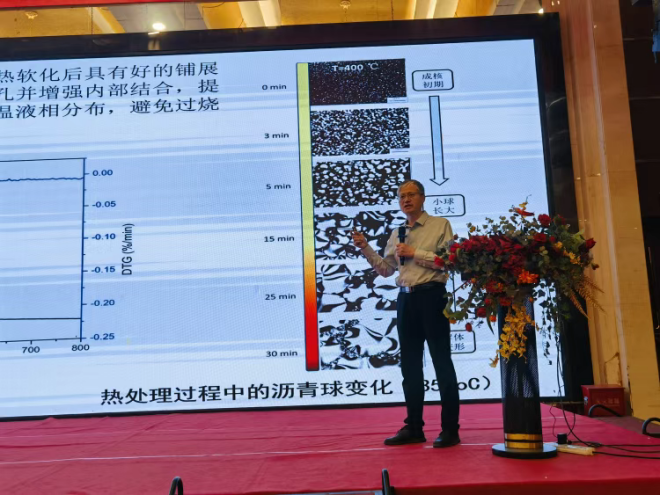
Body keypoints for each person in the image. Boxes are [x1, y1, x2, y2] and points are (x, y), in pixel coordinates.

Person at [351, 179, 460, 448]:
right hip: (406, 299)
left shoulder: (440, 225)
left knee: (441, 362)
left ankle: (450, 429)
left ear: (423, 198)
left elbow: (450, 261)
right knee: (409, 366)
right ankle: (414, 427)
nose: (406, 200)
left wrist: (415, 253)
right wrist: (365, 247)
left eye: (411, 194)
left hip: (432, 296)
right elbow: (386, 270)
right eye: (401, 196)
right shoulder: (397, 232)